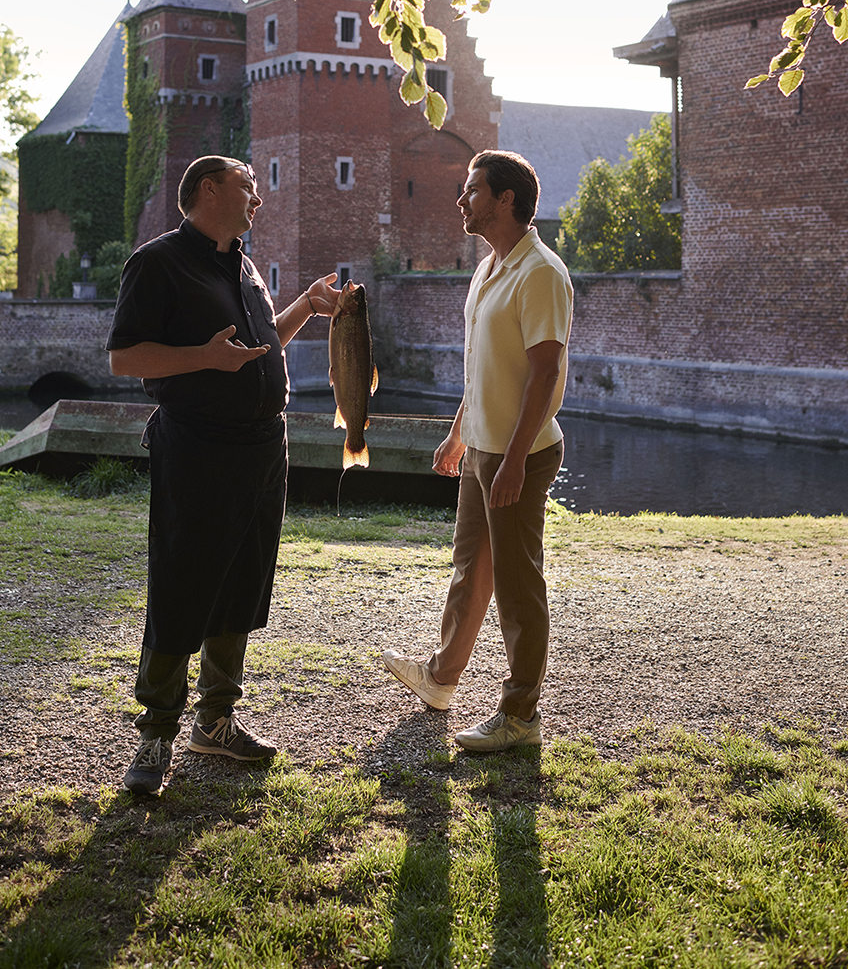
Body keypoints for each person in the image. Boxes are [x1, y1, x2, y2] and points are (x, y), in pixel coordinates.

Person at [106, 155, 340, 794]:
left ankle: (216, 721)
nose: (258, 198)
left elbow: (256, 352)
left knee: (241, 581)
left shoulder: (243, 265)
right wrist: (200, 358)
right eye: (248, 186)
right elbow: (124, 358)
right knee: (183, 582)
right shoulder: (158, 263)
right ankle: (156, 733)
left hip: (263, 452)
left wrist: (305, 308)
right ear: (209, 190)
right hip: (197, 452)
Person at [382, 150, 573, 751]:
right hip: (483, 448)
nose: (461, 200)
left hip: (521, 451)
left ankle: (520, 716)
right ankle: (441, 680)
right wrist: (459, 432)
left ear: (505, 200)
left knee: (517, 586)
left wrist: (515, 460)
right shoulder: (489, 268)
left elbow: (544, 375)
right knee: (472, 571)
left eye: (472, 190)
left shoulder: (540, 272)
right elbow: (484, 369)